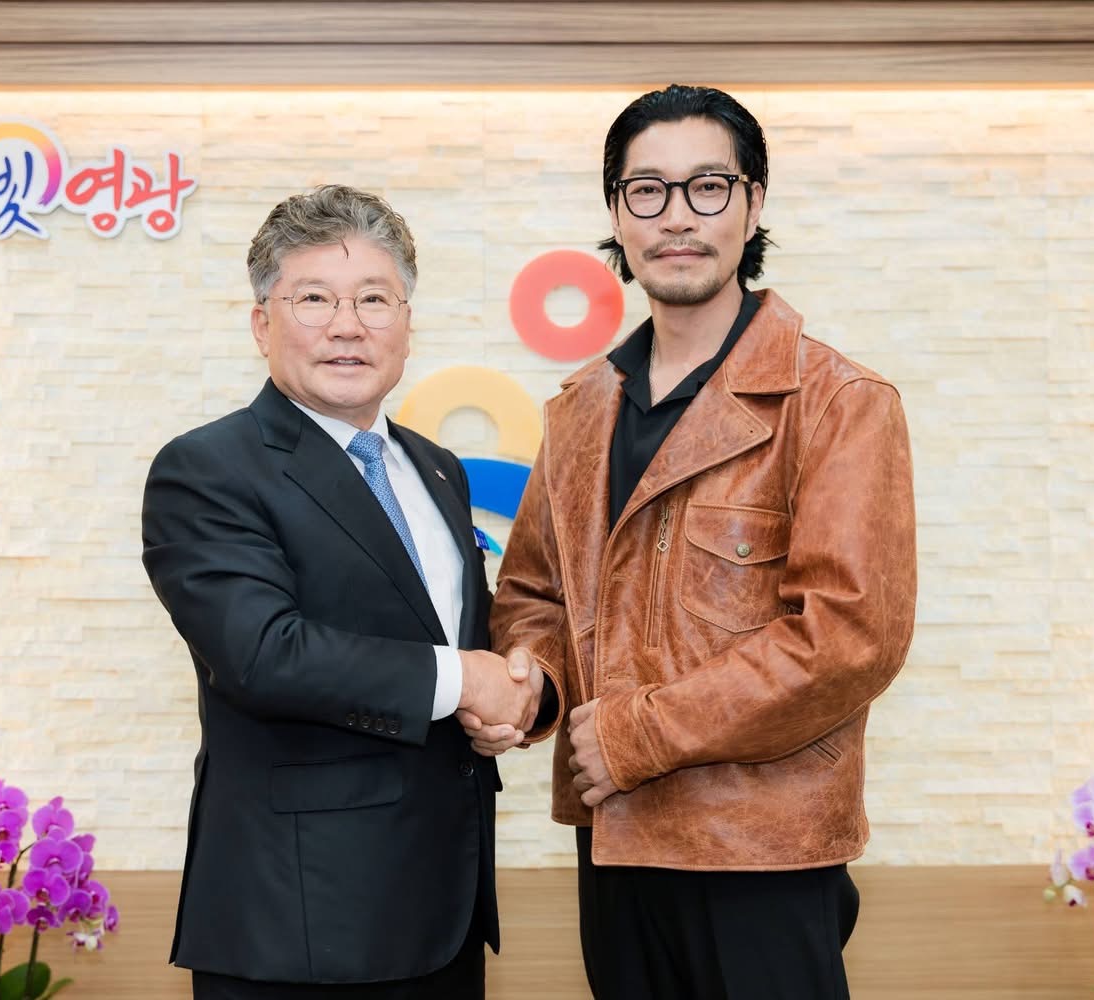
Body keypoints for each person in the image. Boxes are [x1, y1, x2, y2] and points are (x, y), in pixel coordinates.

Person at [480, 84, 918, 998]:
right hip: (612, 842)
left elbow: (848, 638)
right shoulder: (579, 409)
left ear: (753, 205)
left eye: (707, 187)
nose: (676, 217)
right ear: (616, 214)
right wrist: (535, 681)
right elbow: (534, 595)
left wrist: (637, 733)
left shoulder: (837, 402)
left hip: (762, 849)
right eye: (647, 190)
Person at [142, 184, 541, 1000]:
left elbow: (464, 637)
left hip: (445, 912)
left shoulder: (437, 468)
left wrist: (523, 691)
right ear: (262, 324)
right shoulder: (208, 469)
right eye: (314, 299)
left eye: (374, 299)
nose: (347, 326)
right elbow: (262, 654)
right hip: (299, 924)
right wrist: (465, 680)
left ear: (407, 324)